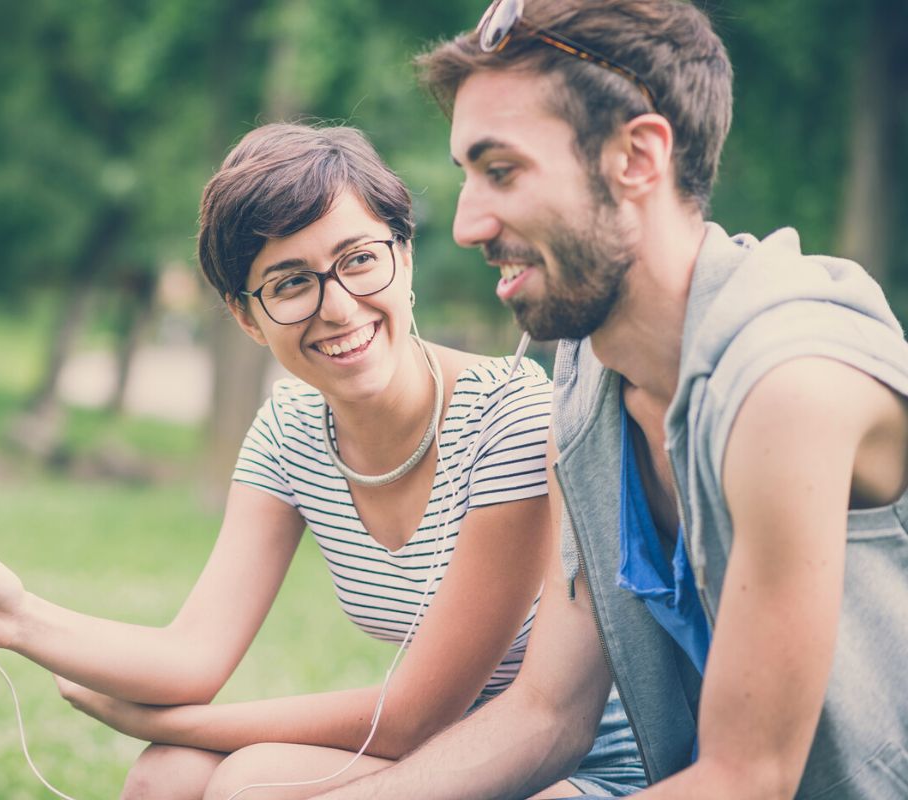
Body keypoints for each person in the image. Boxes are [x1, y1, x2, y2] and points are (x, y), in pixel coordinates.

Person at [0, 123, 647, 799]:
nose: (338, 306)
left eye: (359, 260)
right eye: (290, 284)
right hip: (441, 754)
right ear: (247, 318)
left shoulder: (508, 414)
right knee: (165, 777)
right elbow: (192, 654)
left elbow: (415, 715)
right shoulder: (290, 429)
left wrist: (177, 723)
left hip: (572, 766)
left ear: (406, 258)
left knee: (246, 783)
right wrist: (18, 618)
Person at [310, 2, 908, 799]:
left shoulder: (783, 386)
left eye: (502, 170)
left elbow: (745, 780)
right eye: (465, 176)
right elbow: (547, 714)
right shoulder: (589, 387)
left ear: (636, 155)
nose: (465, 224)